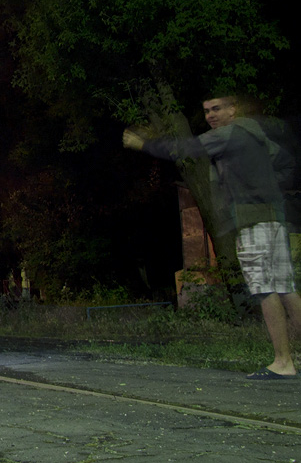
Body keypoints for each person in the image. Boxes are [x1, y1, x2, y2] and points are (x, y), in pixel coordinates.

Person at [124, 94, 300, 378]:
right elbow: (287, 162)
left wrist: (143, 143)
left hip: (254, 222)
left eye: (216, 109)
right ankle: (288, 360)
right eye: (206, 111)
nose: (210, 116)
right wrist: (267, 189)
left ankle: (283, 362)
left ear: (233, 110)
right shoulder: (256, 136)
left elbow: (188, 147)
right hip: (274, 220)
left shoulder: (228, 135)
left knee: (265, 289)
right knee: (287, 288)